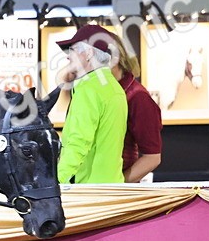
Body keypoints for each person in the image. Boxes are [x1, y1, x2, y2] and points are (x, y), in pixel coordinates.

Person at [55, 24, 127, 184]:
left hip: (87, 191)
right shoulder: (115, 88)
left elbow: (78, 144)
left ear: (88, 53)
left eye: (71, 50)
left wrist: (54, 181)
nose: (67, 56)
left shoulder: (89, 89)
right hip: (112, 187)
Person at [105, 32, 162, 183]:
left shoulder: (137, 97)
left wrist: (117, 185)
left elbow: (152, 157)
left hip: (112, 193)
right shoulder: (98, 92)